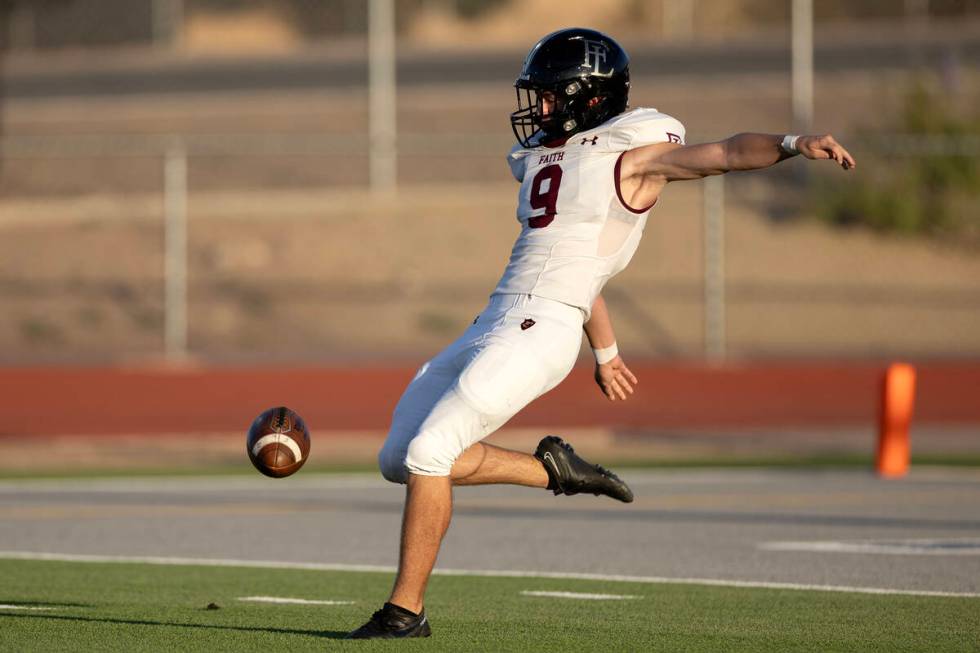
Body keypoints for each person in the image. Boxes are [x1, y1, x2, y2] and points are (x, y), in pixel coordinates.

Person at [348, 27, 855, 639]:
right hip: (496, 316)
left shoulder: (634, 157)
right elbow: (582, 264)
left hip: (542, 328)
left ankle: (405, 613)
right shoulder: (545, 154)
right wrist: (607, 351)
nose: (537, 108)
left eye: (549, 95)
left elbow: (724, 153)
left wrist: (794, 143)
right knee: (399, 457)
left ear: (589, 96)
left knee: (433, 453)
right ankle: (555, 470)